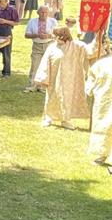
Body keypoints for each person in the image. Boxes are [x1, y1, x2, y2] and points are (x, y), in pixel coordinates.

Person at [34, 26, 91, 129]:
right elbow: (45, 62)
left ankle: (66, 120)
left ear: (63, 36)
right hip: (54, 79)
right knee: (52, 97)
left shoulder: (77, 46)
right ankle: (48, 117)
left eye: (56, 35)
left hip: (70, 79)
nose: (54, 37)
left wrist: (99, 40)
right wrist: (43, 78)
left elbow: (90, 52)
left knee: (67, 99)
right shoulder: (52, 47)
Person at [86, 42, 112, 173]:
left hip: (104, 100)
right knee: (103, 126)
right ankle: (101, 154)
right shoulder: (102, 64)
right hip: (104, 101)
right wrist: (90, 90)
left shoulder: (101, 64)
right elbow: (91, 76)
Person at [23, 4, 57, 93]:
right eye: (42, 12)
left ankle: (43, 86)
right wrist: (37, 35)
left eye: (46, 12)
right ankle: (32, 85)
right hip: (37, 45)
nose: (44, 14)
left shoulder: (53, 22)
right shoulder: (32, 21)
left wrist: (48, 35)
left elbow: (57, 35)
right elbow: (26, 35)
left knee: (47, 66)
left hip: (49, 44)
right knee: (35, 65)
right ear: (38, 12)